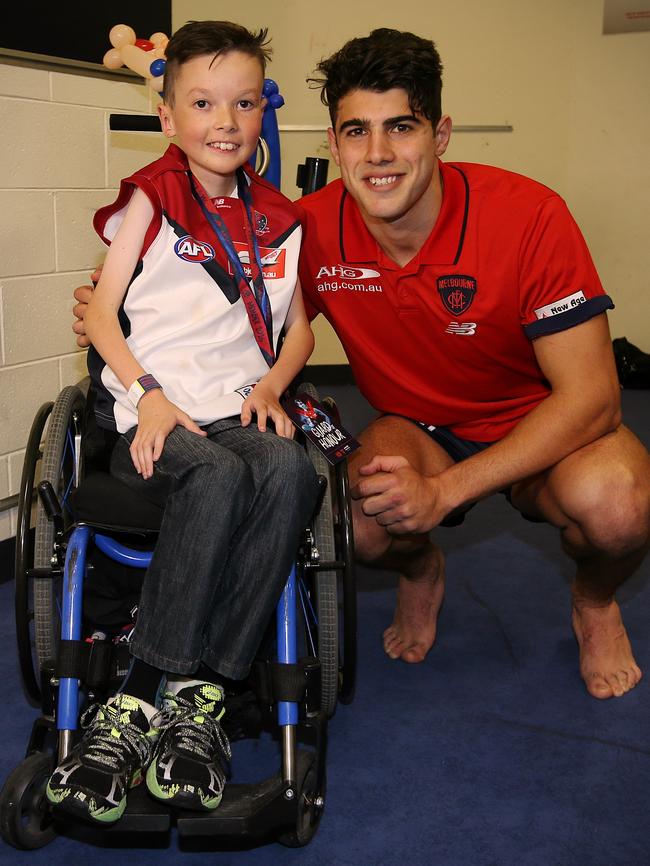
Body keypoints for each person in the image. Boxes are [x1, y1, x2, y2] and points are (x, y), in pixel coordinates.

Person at [73, 29, 650, 702]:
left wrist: (448, 492)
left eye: (400, 127)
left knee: (619, 507)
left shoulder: (530, 215)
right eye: (356, 132)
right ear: (333, 142)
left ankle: (594, 602)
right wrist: (121, 302)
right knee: (366, 519)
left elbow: (593, 399)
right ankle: (421, 568)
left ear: (440, 135)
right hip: (420, 428)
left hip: (542, 425)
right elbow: (231, 306)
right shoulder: (307, 227)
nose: (378, 155)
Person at [48, 20, 319, 827]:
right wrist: (149, 391)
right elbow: (100, 314)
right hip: (150, 410)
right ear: (169, 117)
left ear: (259, 111)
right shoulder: (151, 197)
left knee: (293, 470)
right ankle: (138, 695)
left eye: (241, 103)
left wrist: (273, 383)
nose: (225, 121)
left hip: (234, 405)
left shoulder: (280, 217)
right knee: (217, 470)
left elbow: (301, 327)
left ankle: (200, 695)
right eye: (202, 103)